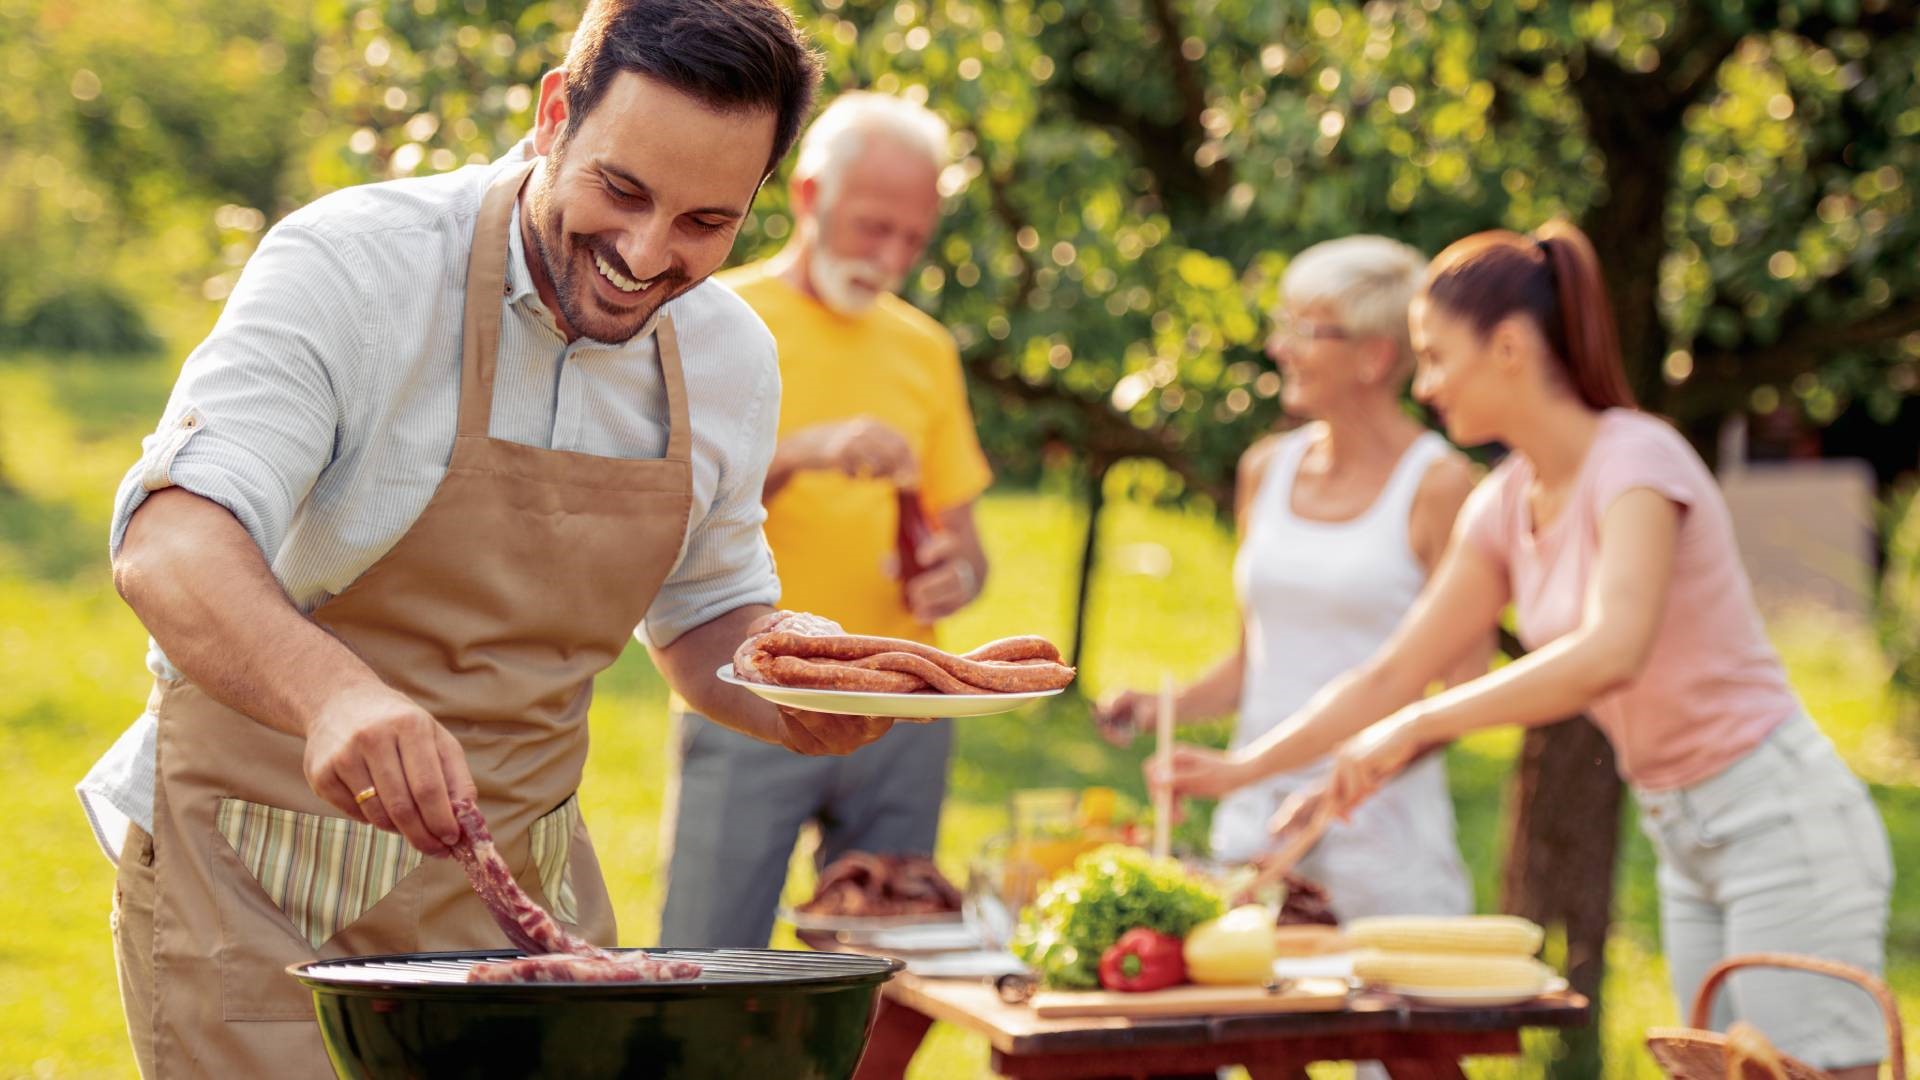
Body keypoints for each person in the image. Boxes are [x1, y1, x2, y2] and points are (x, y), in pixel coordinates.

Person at [77, 4, 898, 1075]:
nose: (648, 255)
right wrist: (336, 696)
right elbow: (171, 538)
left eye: (707, 222)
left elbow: (707, 615)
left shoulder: (729, 354)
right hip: (261, 877)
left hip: (524, 894)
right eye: (624, 190)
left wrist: (799, 691)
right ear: (556, 114)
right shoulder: (356, 267)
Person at [1151, 221, 1893, 1078]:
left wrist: (1411, 725)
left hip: (1779, 818)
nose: (1425, 386)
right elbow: (1393, 668)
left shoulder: (1637, 461)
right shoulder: (1505, 501)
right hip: (1683, 831)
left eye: (1436, 357)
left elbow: (1610, 649)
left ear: (1507, 347)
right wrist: (1245, 771)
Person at [659, 91, 992, 951]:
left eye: (912, 239)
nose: (890, 256)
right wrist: (803, 450)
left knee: (881, 965)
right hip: (744, 688)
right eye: (872, 226)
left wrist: (955, 569)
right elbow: (666, 516)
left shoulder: (923, 349)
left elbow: (967, 544)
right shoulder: (711, 318)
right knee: (710, 957)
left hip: (905, 709)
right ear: (808, 196)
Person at [1096, 236, 1478, 923]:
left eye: (1306, 329)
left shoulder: (1441, 484)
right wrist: (1162, 706)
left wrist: (1350, 777)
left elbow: (1463, 690)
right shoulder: (1266, 469)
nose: (1280, 349)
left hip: (1381, 846)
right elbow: (1255, 664)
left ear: (1375, 354)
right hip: (1255, 830)